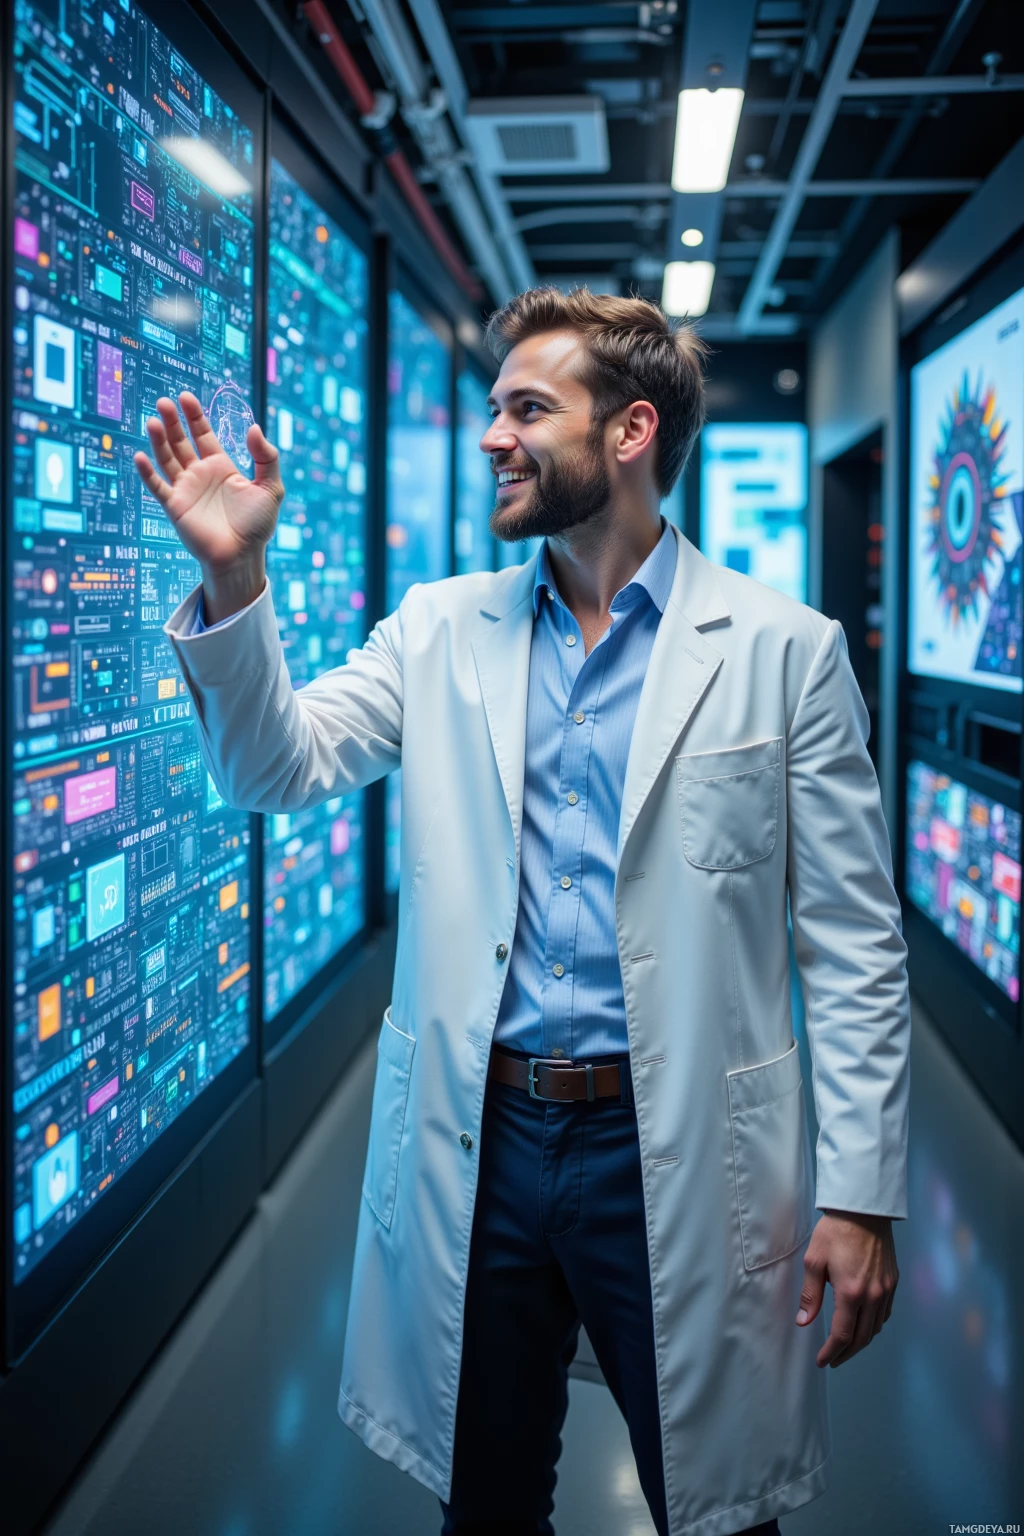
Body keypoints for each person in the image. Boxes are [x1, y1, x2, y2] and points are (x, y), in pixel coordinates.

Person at [136, 288, 910, 1536]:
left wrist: (861, 1195)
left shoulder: (784, 651)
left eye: (528, 409)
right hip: (480, 1137)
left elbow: (854, 944)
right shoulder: (438, 630)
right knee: (485, 1505)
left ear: (630, 431)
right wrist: (235, 577)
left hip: (673, 1144)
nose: (494, 434)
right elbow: (273, 767)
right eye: (495, 408)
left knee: (718, 1510)